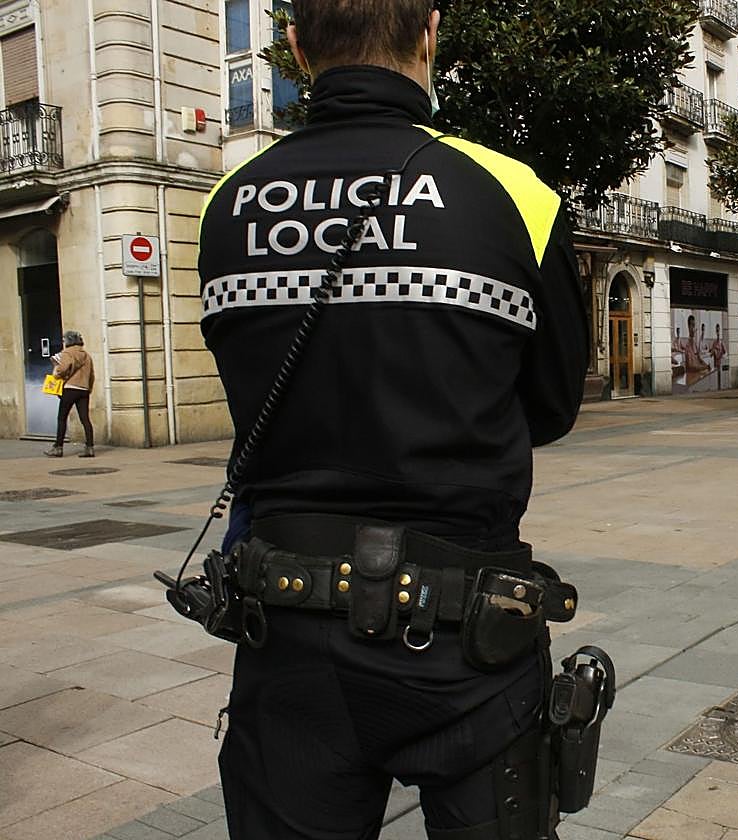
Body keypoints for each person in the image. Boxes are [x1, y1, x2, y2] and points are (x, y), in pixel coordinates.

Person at [196, 1, 588, 837]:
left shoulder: (227, 203)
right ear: (430, 32)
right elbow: (553, 407)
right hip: (466, 636)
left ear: (296, 47)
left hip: (286, 634)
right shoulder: (515, 196)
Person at [44, 330, 95, 458]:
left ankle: (58, 448)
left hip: (70, 388)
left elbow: (62, 368)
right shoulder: (86, 355)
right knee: (85, 419)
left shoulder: (67, 353)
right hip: (84, 389)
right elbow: (92, 375)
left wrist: (56, 371)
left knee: (62, 418)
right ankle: (89, 447)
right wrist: (88, 389)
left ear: (68, 341)